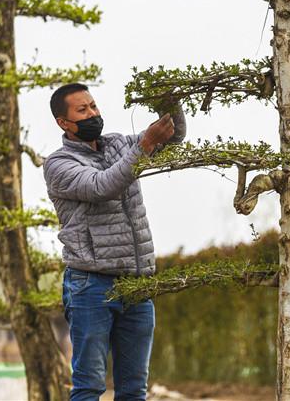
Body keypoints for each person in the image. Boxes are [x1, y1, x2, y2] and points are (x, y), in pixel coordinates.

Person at [43, 83, 185, 400]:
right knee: (89, 386)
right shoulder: (59, 164)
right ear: (63, 122)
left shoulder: (120, 144)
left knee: (134, 389)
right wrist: (144, 144)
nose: (93, 113)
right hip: (91, 285)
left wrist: (171, 103)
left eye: (93, 106)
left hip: (137, 284)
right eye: (82, 110)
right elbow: (101, 186)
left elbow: (172, 139)